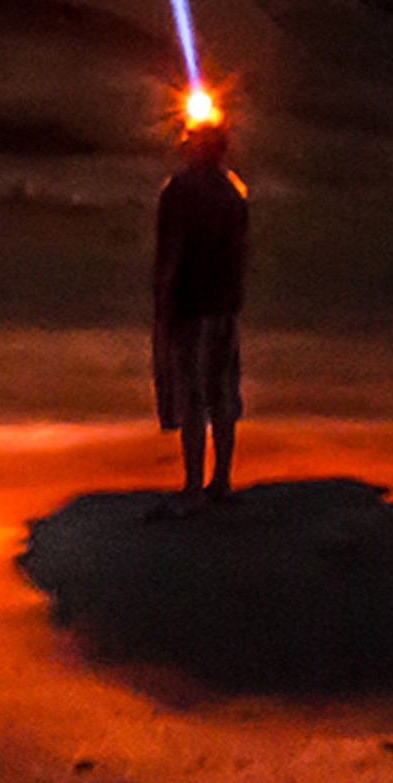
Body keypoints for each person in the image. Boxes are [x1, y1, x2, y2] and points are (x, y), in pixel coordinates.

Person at [151, 112, 248, 513]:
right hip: (225, 306)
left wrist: (162, 301)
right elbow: (241, 253)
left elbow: (172, 252)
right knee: (222, 393)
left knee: (192, 395)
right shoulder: (233, 191)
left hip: (191, 306)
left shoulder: (180, 191)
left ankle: (194, 487)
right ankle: (221, 480)